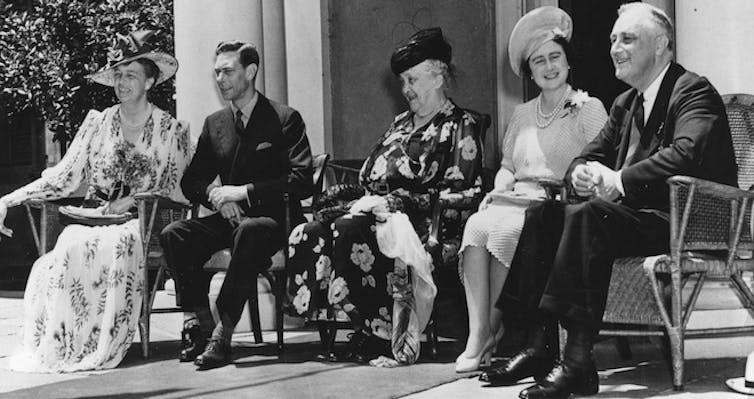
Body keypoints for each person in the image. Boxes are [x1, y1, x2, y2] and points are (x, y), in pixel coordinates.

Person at [479, 4, 737, 398]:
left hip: (687, 217)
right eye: (614, 39)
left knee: (589, 216)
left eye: (628, 39)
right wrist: (581, 172)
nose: (616, 48)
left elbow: (686, 152)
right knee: (544, 214)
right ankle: (537, 345)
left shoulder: (692, 90)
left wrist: (618, 179)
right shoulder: (625, 103)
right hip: (639, 218)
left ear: (662, 45)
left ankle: (579, 363)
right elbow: (589, 153)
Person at [286, 27, 484, 366]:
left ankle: (379, 334)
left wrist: (404, 201)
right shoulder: (399, 124)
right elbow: (372, 176)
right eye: (402, 82)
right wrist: (349, 198)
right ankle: (360, 324)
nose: (406, 89)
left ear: (438, 76)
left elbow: (466, 191)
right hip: (372, 213)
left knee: (350, 228)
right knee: (311, 230)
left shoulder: (459, 125)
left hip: (418, 223)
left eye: (413, 79)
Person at [0, 30, 191, 372]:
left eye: (131, 74)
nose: (122, 82)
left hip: (139, 223)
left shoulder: (168, 129)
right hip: (92, 217)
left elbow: (174, 186)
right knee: (66, 249)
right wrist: (9, 199)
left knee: (116, 245)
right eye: (118, 75)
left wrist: (132, 201)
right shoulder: (97, 124)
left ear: (149, 81)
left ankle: (103, 342)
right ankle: (69, 344)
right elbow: (63, 176)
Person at [455, 6, 607, 373]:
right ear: (530, 70)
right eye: (538, 61)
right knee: (477, 226)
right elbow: (508, 166)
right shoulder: (522, 114)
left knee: (506, 230)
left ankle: (494, 329)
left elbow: (601, 167)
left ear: (568, 62)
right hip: (514, 197)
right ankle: (480, 333)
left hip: (552, 209)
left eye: (555, 57)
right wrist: (501, 186)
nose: (548, 66)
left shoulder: (588, 108)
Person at [159, 40, 313, 370]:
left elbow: (301, 180)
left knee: (250, 230)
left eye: (228, 71)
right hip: (229, 219)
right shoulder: (215, 123)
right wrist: (217, 196)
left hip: (272, 221)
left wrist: (242, 192)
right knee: (175, 234)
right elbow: (192, 181)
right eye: (216, 72)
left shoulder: (285, 118)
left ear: (251, 71)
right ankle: (201, 325)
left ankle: (222, 334)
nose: (220, 79)